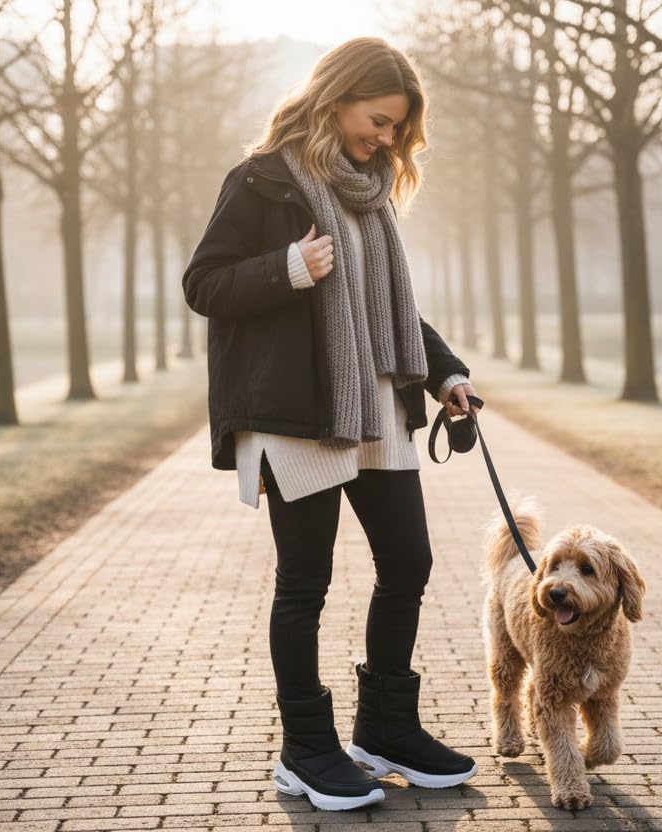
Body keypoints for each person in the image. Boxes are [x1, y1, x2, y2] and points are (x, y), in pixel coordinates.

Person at [182, 37, 483, 812]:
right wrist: (287, 267)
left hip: (375, 401)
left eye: (396, 132)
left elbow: (388, 308)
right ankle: (306, 748)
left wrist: (446, 372)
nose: (386, 141)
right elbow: (204, 283)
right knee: (305, 585)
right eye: (379, 122)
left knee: (408, 563)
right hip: (296, 411)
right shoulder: (260, 182)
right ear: (337, 97)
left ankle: (385, 729)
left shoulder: (371, 195)